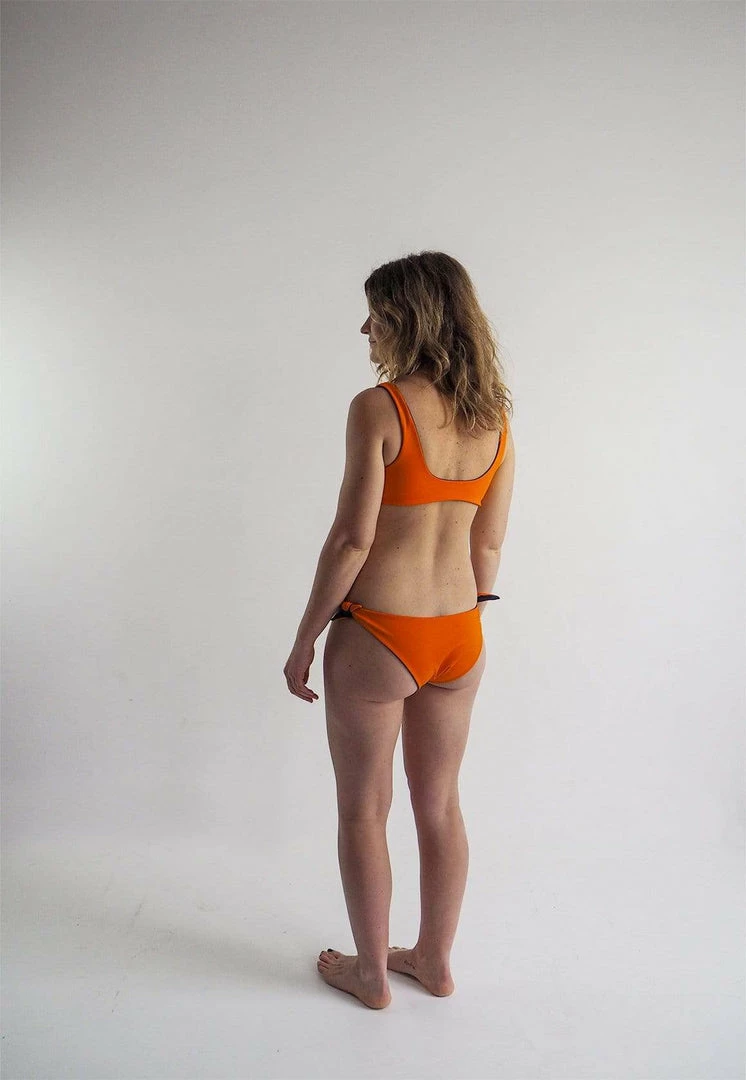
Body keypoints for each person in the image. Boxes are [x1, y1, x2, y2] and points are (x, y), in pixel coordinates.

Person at [283, 251, 515, 1009]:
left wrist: (307, 635)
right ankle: (435, 962)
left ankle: (372, 974)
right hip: (459, 637)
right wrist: (458, 622)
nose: (365, 328)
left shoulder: (378, 408)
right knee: (440, 804)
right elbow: (488, 546)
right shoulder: (493, 419)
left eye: (376, 313)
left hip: (380, 633)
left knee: (363, 808)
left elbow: (352, 540)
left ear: (411, 318)